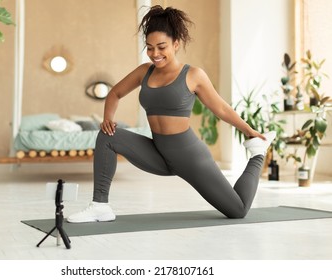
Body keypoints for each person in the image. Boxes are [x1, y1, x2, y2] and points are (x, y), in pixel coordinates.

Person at [67, 5, 276, 223]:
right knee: (107, 136)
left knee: (238, 210)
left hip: (190, 157)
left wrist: (250, 131)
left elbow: (221, 109)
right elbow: (115, 93)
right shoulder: (143, 72)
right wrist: (108, 119)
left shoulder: (193, 75)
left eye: (161, 47)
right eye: (149, 48)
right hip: (158, 152)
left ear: (176, 44)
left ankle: (258, 153)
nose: (155, 54)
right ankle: (100, 206)